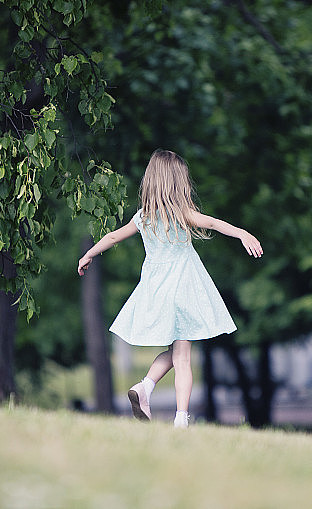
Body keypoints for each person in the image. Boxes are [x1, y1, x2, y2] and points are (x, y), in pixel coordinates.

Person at [77, 149, 262, 428]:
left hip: (158, 292)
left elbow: (114, 235)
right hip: (184, 290)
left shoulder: (143, 217)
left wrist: (89, 253)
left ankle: (145, 388)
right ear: (179, 183)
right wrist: (242, 233)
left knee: (175, 353)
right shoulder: (181, 214)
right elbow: (212, 223)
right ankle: (181, 419)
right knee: (183, 357)